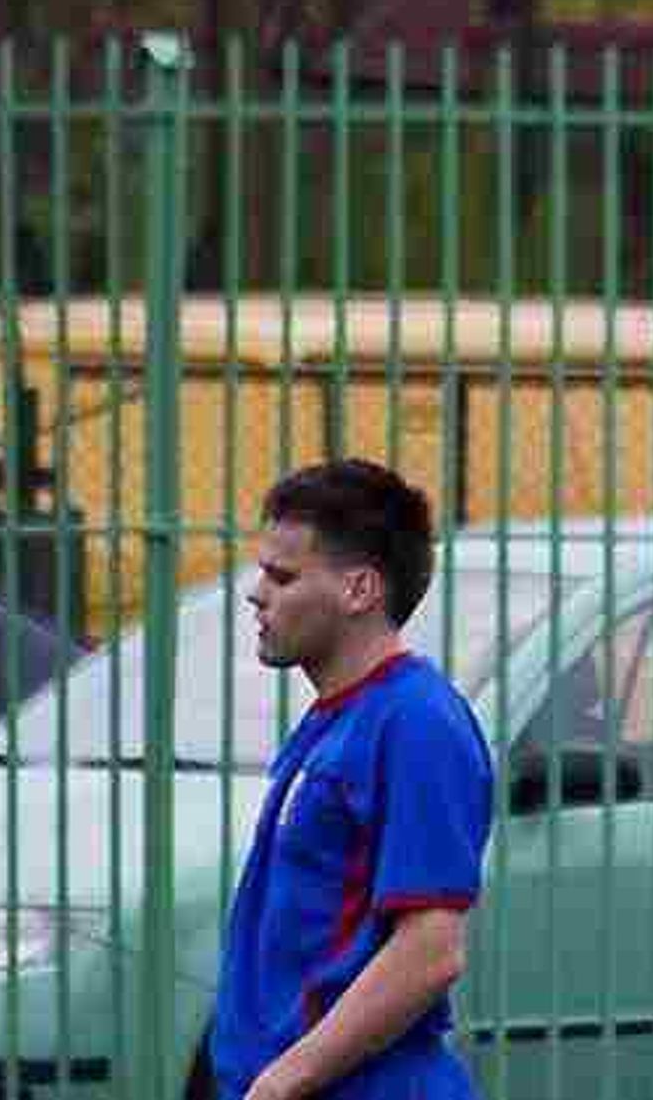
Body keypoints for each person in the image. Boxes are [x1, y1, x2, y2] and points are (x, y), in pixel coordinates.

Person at [211, 459, 493, 1100]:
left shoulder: (416, 721)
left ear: (359, 589)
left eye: (283, 576)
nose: (257, 593)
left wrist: (284, 1081)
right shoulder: (334, 718)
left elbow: (431, 950)